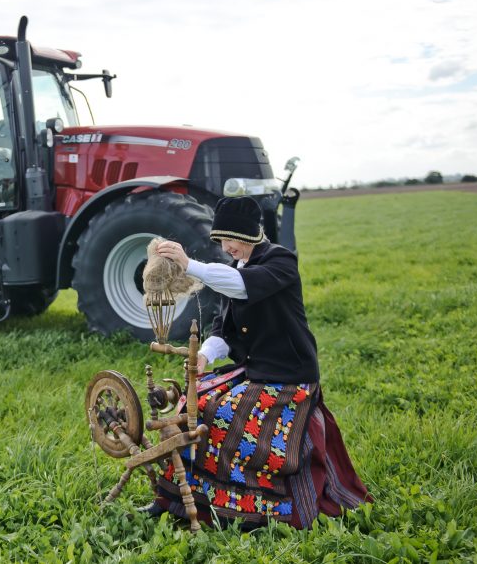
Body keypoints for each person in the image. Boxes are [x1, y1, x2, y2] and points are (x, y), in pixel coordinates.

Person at [146, 196, 370, 529]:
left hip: (288, 375)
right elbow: (224, 326)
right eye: (221, 240)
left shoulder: (280, 262)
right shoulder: (234, 269)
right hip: (254, 370)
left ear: (250, 235)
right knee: (193, 403)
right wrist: (206, 354)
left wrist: (189, 265)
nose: (226, 246)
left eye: (231, 239)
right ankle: (176, 497)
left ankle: (247, 507)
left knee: (225, 415)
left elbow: (242, 288)